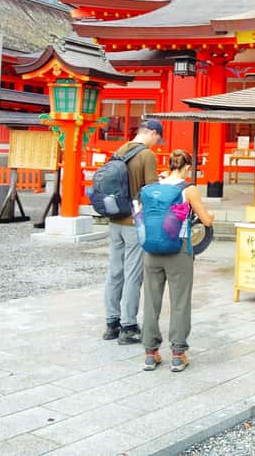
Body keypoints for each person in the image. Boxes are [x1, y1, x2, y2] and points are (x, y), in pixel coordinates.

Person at [142, 150, 215, 372]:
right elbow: (205, 220)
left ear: (169, 165)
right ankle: (177, 354)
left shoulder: (153, 188)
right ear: (187, 168)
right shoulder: (188, 189)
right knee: (180, 302)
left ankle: (150, 354)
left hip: (151, 250)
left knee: (151, 301)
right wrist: (210, 216)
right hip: (179, 250)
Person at [103, 119, 163, 345]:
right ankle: (128, 326)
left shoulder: (120, 150)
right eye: (157, 138)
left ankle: (111, 324)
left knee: (114, 271)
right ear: (152, 133)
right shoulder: (146, 155)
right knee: (133, 274)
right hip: (133, 222)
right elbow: (151, 191)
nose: (157, 143)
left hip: (114, 219)